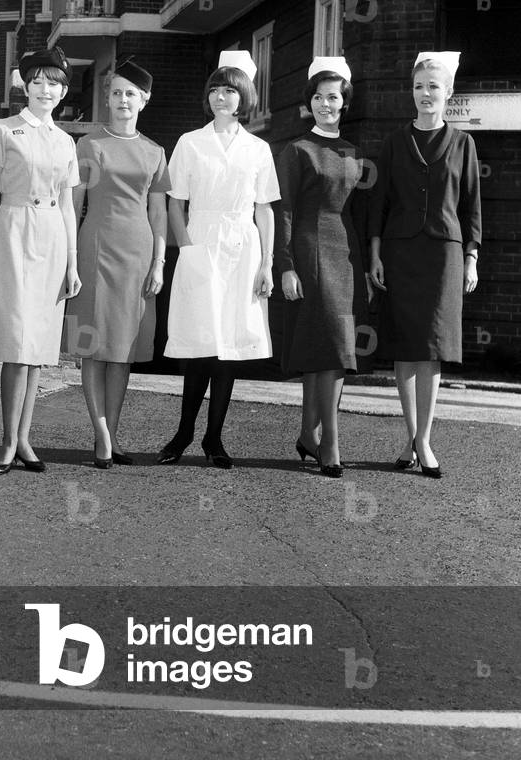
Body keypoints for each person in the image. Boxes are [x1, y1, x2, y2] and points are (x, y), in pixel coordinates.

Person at [157, 50, 279, 469]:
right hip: (202, 242)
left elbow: (264, 208)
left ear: (244, 96)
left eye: (229, 90)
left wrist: (267, 264)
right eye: (215, 90)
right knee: (201, 345)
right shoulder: (191, 143)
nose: (221, 98)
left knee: (228, 347)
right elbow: (175, 204)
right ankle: (183, 432)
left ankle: (214, 438)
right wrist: (187, 249)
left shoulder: (258, 149)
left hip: (243, 249)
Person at [368, 51, 481, 479]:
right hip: (400, 254)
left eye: (434, 86)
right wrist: (375, 253)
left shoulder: (464, 143)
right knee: (404, 347)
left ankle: (424, 442)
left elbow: (471, 204)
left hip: (444, 257)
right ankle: (412, 437)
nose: (425, 93)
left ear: (448, 92)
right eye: (419, 86)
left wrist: (471, 256)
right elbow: (380, 203)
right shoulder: (394, 142)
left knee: (432, 348)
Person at [0, 46, 81, 475]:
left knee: (37, 346)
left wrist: (73, 263)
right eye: (37, 80)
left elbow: (69, 206)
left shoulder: (65, 140)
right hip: (12, 231)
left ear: (62, 90)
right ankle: (6, 440)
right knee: (16, 341)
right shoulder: (3, 130)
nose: (45, 89)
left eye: (53, 82)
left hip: (52, 238)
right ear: (25, 84)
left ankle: (25, 439)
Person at [67, 59, 169, 468]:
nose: (122, 100)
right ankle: (102, 435)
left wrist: (159, 262)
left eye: (130, 93)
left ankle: (113, 429)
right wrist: (71, 258)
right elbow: (75, 205)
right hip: (95, 246)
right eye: (115, 93)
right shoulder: (89, 145)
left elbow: (159, 211)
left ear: (144, 100)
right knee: (93, 343)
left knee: (123, 346)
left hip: (138, 253)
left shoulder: (154, 151)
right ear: (106, 99)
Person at [275, 57, 367, 478]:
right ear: (309, 102)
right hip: (311, 251)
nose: (326, 103)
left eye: (333, 97)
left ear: (344, 102)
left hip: (344, 252)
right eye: (318, 97)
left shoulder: (352, 151)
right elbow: (286, 211)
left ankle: (307, 435)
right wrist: (287, 265)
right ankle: (329, 442)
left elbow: (357, 210)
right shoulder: (297, 149)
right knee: (330, 344)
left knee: (326, 347)